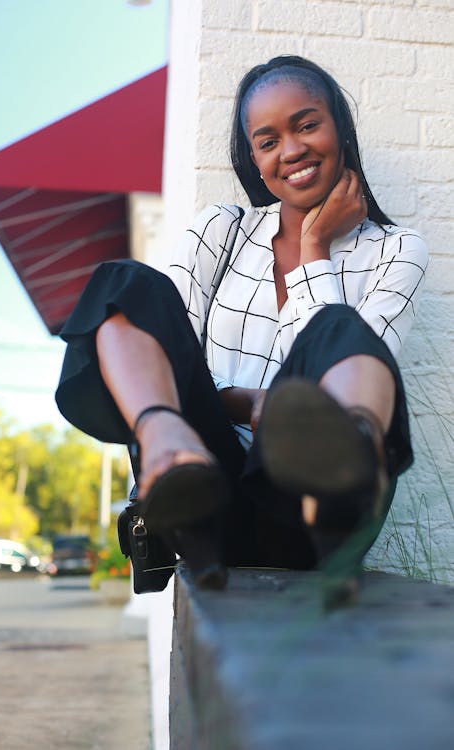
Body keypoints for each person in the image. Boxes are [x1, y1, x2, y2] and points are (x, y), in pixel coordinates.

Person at [55, 55, 428, 606]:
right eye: (268, 140)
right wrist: (250, 405)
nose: (292, 150)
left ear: (339, 129)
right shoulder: (222, 231)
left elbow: (346, 376)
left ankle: (341, 478)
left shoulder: (397, 251)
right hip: (206, 493)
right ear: (253, 158)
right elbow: (166, 359)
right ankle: (166, 457)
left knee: (338, 328)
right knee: (124, 284)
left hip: (314, 515)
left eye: (306, 125)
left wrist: (313, 251)